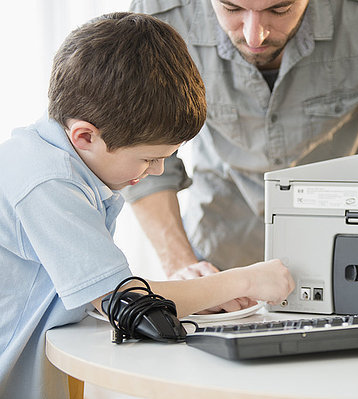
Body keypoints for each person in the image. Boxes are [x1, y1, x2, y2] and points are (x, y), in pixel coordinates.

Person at [0, 12, 294, 399]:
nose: (156, 171)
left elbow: (99, 291)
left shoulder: (58, 162)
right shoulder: (46, 181)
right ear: (85, 136)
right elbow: (123, 302)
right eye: (149, 158)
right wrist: (246, 279)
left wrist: (199, 294)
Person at [126, 0, 358, 280]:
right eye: (232, 9)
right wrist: (181, 264)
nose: (253, 36)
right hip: (220, 249)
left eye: (279, 10)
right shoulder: (156, 16)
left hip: (352, 246)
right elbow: (139, 154)